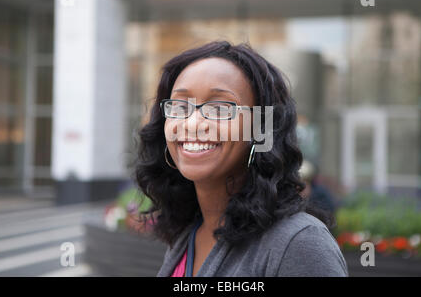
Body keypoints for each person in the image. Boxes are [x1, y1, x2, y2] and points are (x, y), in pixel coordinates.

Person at [135, 41, 348, 277]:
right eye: (180, 106)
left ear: (261, 127)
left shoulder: (298, 243)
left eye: (221, 107)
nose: (193, 123)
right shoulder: (188, 233)